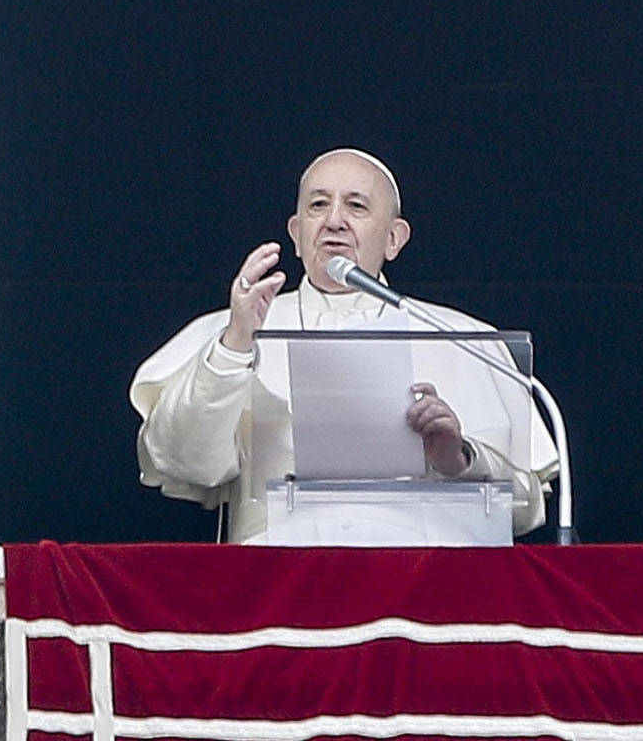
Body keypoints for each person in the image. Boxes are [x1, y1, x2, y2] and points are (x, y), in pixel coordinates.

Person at [131, 148, 557, 542]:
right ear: (297, 234)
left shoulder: (462, 339)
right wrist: (235, 346)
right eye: (318, 205)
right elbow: (185, 463)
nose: (334, 220)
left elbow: (524, 509)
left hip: (423, 591)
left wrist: (458, 458)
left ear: (394, 238)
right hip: (280, 590)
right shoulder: (232, 332)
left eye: (356, 205)